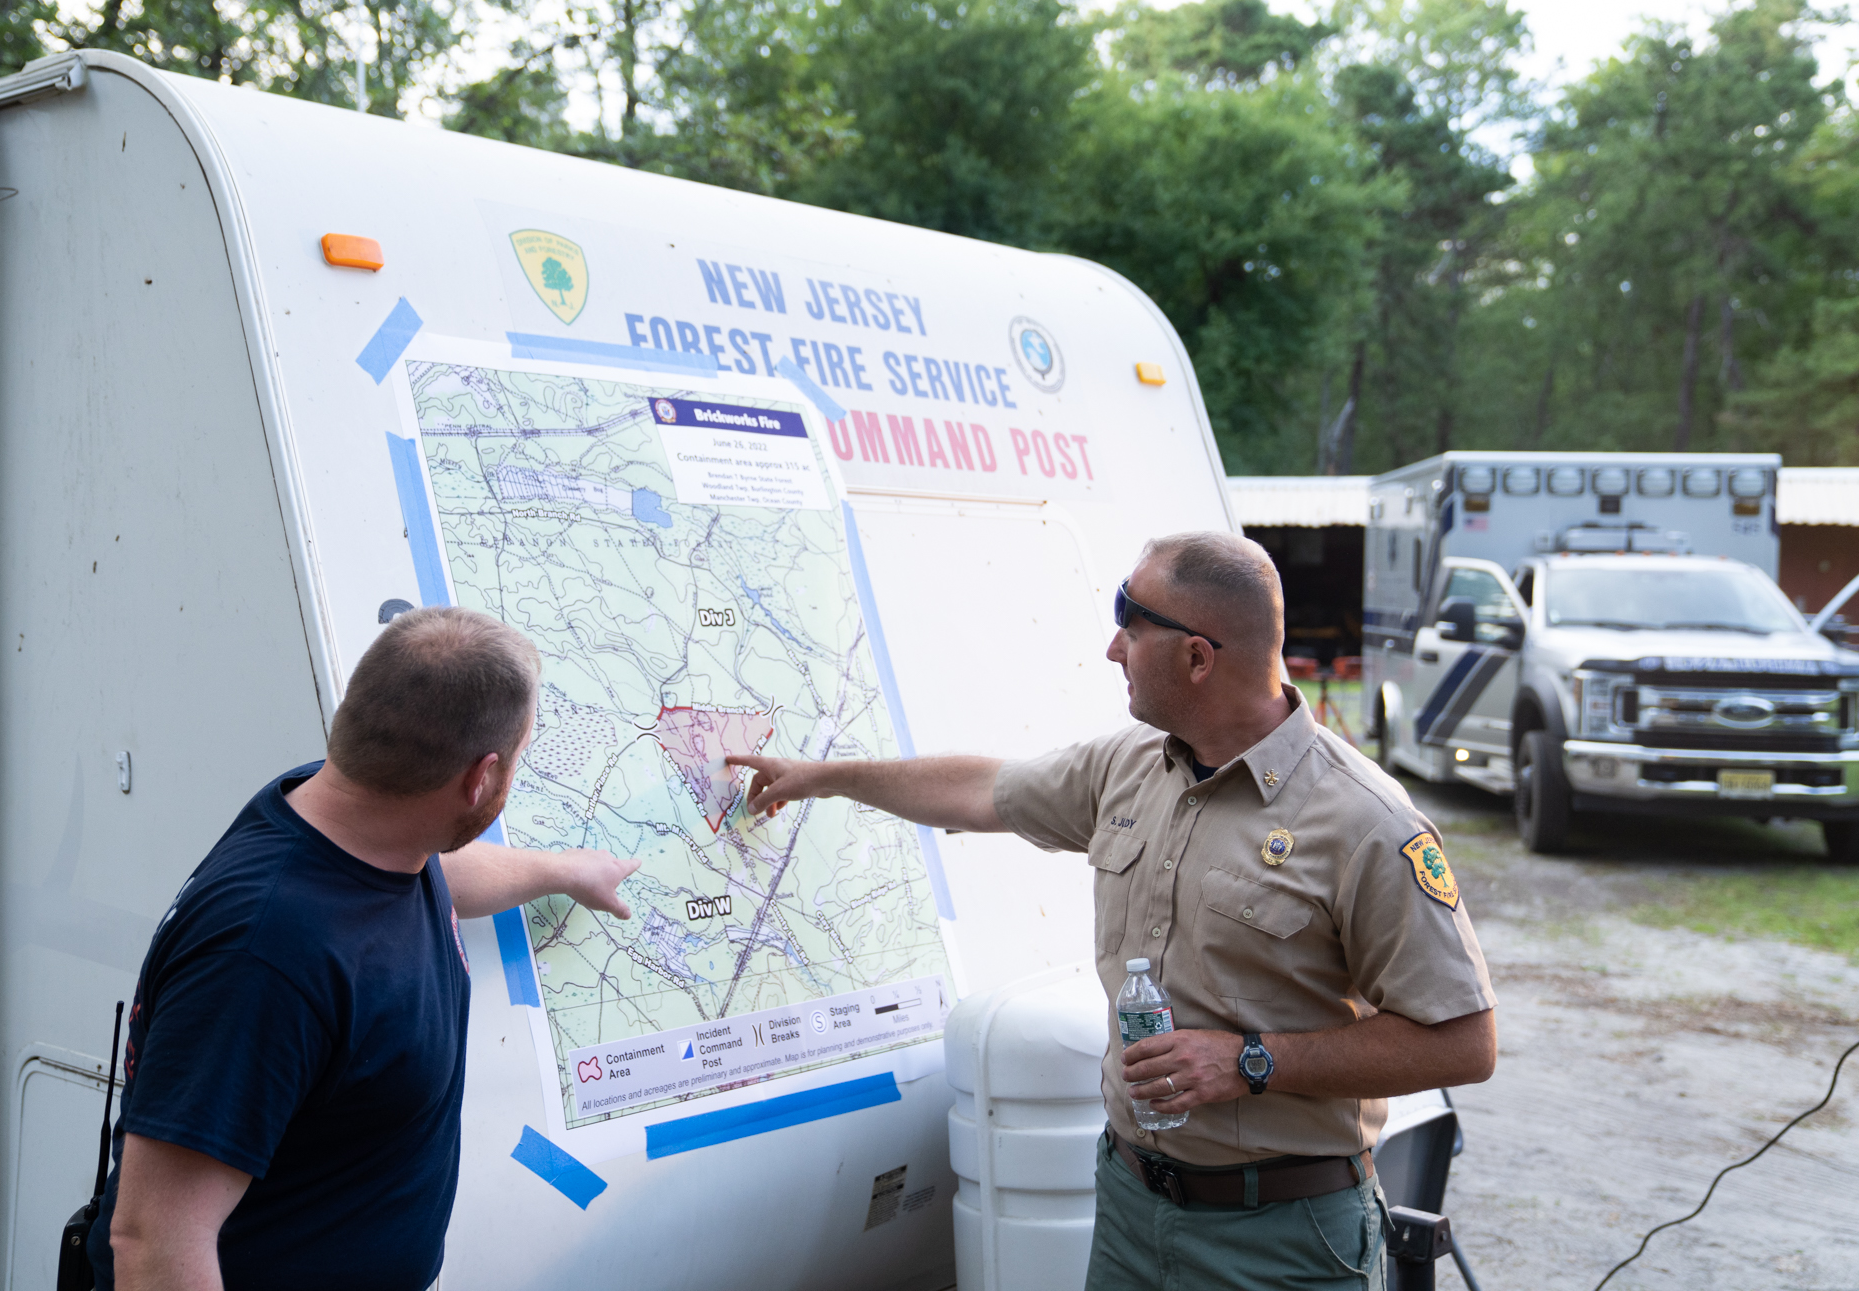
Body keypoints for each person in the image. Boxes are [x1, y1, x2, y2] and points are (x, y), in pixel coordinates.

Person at [732, 532, 1497, 1290]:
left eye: (1132, 624)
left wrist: (1251, 1060)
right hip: (1132, 1208)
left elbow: (1464, 1042)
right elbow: (980, 788)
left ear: (1197, 658)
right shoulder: (1130, 765)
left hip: (1283, 1240)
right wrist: (820, 776)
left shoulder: (1366, 820)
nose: (1112, 648)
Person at [88, 607, 639, 1291]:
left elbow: (430, 875)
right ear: (480, 778)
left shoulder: (354, 813)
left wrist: (561, 870)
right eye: (519, 760)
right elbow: (153, 1239)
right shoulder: (265, 955)